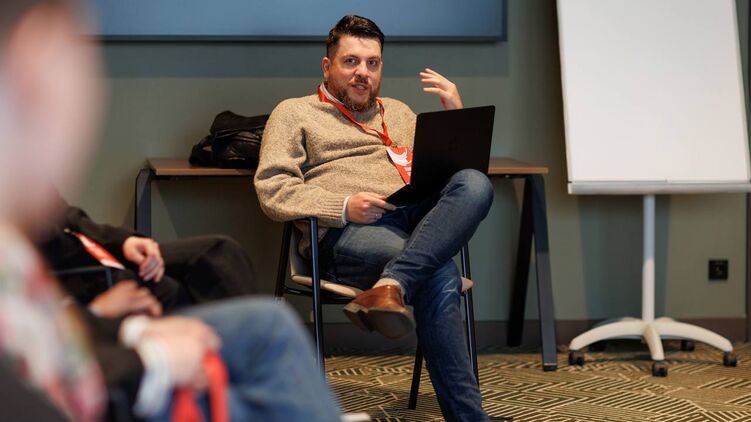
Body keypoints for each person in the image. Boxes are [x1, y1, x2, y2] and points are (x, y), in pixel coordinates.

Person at [0, 1, 356, 420]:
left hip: (97, 293)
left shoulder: (17, 238)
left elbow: (67, 225)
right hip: (98, 319)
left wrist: (127, 290)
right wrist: (150, 356)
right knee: (262, 333)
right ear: (30, 76)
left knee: (230, 272)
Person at [255, 15, 505, 422]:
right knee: (439, 274)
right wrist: (343, 205)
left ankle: (392, 283)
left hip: (411, 218)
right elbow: (272, 190)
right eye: (351, 61)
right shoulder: (294, 113)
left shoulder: (400, 113)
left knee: (475, 183)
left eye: (372, 63)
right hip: (349, 233)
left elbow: (439, 179)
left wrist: (457, 117)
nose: (363, 73)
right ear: (327, 67)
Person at [35, 194, 258, 317]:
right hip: (72, 273)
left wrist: (123, 241)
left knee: (219, 252)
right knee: (171, 289)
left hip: (97, 248)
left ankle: (254, 360)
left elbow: (65, 214)